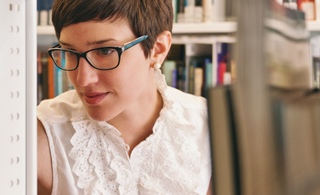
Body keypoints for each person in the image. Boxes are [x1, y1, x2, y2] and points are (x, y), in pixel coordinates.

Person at [37, 0, 212, 194]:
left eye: (105, 51)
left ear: (158, 48)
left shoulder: (210, 127)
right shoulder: (40, 134)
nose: (83, 79)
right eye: (69, 52)